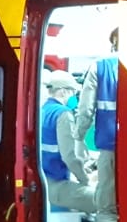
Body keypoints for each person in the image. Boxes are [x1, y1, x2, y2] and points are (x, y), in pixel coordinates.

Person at [74, 29, 122, 222]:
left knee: (106, 208)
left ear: (112, 40)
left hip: (111, 149)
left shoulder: (101, 68)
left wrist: (78, 137)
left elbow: (86, 109)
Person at [40, 70, 95, 213]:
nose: (74, 97)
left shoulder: (42, 111)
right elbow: (69, 156)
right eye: (73, 92)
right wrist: (84, 179)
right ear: (63, 92)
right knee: (103, 203)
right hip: (57, 185)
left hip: (43, 181)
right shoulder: (63, 114)